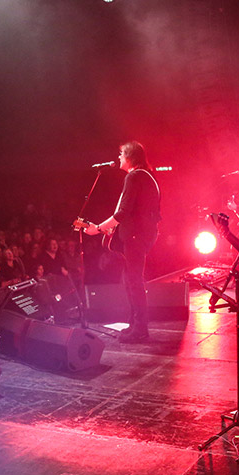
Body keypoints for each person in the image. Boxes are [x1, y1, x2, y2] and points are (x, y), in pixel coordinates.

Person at [83, 141, 161, 343]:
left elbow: (123, 212)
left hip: (136, 236)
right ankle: (134, 324)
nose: (118, 158)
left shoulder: (134, 176)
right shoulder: (146, 177)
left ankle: (140, 328)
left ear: (130, 157)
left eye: (121, 155)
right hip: (141, 234)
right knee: (130, 280)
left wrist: (98, 228)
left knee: (134, 281)